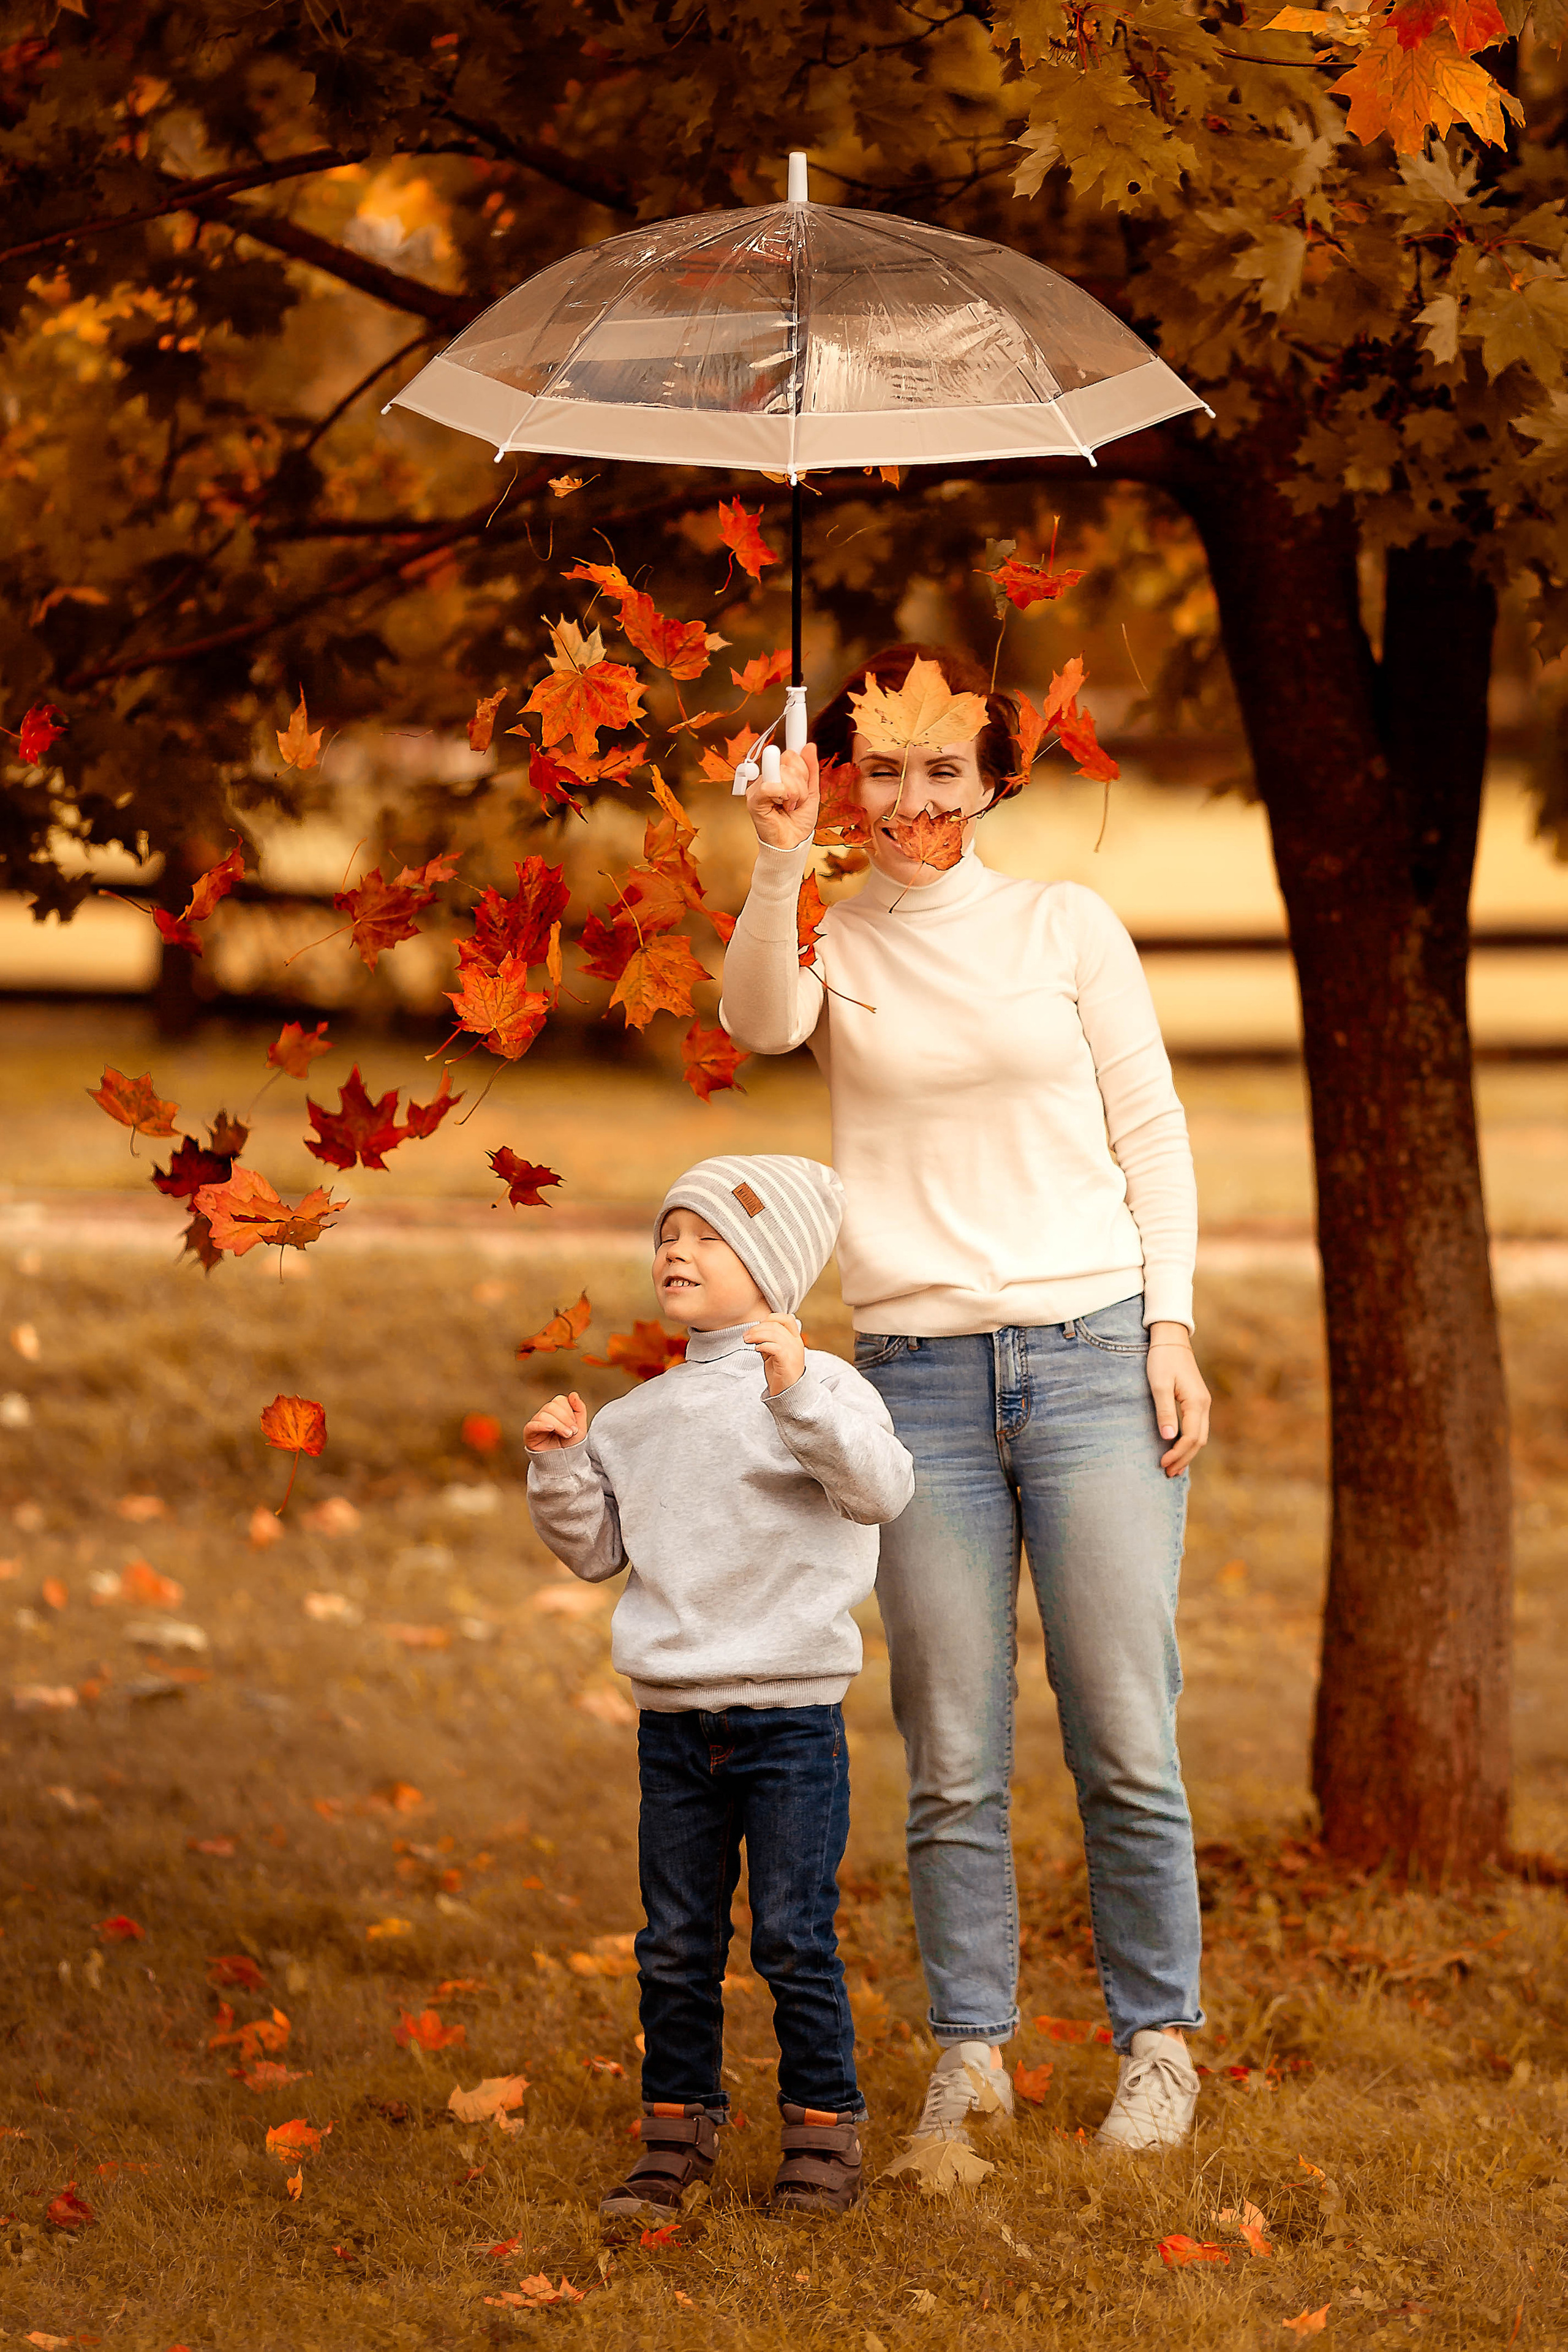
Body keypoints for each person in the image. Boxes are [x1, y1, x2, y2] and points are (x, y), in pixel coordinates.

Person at [719, 644, 1213, 2153]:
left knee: (1124, 1728)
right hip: (915, 1383)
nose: (912, 797)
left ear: (994, 779)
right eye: (883, 769)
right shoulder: (831, 939)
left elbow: (1153, 1131)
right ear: (847, 778)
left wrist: (1172, 1325)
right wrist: (775, 858)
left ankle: (1157, 2042)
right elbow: (753, 1024)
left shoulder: (1065, 925)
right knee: (948, 1748)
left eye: (943, 770)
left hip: (1088, 1358)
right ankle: (972, 2052)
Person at [524, 1152, 914, 2222]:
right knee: (677, 1939)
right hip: (676, 1727)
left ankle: (824, 2134)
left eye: (708, 1237)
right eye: (668, 1235)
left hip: (792, 1717)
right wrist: (562, 1466)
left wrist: (793, 1395)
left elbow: (881, 1490)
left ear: (773, 1268)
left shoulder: (823, 1385)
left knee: (793, 1930)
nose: (677, 1252)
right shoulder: (637, 1418)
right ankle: (675, 2129)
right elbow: (599, 1552)